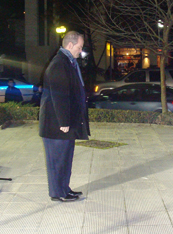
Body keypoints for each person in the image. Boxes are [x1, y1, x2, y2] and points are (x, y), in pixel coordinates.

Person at [39, 31, 90, 202]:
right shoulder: (59, 64)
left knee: (65, 159)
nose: (80, 51)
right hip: (57, 125)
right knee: (57, 161)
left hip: (65, 123)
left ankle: (64, 189)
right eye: (79, 47)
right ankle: (57, 193)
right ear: (70, 45)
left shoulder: (68, 62)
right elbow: (59, 95)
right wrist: (64, 122)